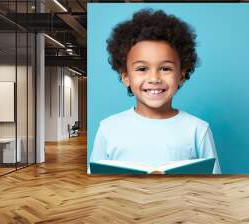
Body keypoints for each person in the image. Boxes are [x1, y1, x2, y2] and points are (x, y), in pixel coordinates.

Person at [89, 9, 220, 174]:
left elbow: (214, 185)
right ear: (126, 77)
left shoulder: (198, 129)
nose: (154, 78)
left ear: (181, 75)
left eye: (165, 68)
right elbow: (94, 181)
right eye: (142, 68)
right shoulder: (108, 128)